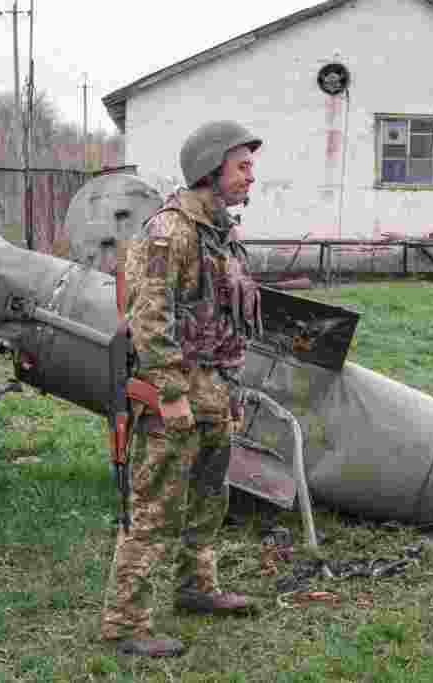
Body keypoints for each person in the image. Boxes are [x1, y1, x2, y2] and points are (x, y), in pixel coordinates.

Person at [100, 121, 265, 658]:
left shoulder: (222, 233)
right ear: (210, 170)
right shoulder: (170, 232)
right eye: (241, 166)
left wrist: (230, 384)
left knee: (209, 500)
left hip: (218, 389)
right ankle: (126, 623)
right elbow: (148, 317)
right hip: (177, 391)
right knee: (155, 508)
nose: (250, 175)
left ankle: (196, 587)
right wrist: (170, 392)